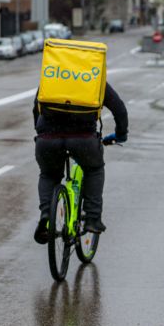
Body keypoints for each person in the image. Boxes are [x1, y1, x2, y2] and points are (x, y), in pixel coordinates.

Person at [32, 82, 128, 244]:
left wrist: (41, 133)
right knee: (94, 170)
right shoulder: (95, 77)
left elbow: (37, 107)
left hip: (48, 138)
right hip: (83, 139)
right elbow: (119, 109)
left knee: (49, 175)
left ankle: (46, 214)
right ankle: (92, 218)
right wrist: (121, 134)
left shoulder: (53, 74)